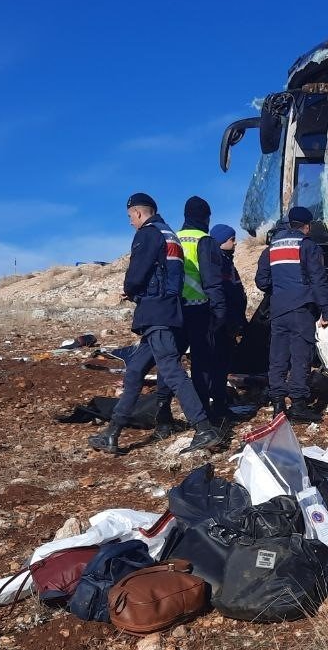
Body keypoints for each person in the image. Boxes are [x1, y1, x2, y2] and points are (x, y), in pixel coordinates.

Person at [88, 193, 221, 455]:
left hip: (156, 312)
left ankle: (203, 428)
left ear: (138, 213)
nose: (130, 223)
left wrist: (130, 290)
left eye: (130, 217)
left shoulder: (148, 234)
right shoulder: (169, 233)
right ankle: (112, 432)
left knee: (171, 370)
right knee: (136, 369)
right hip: (169, 310)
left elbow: (138, 272)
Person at [255, 206, 328, 423]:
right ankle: (298, 404)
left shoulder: (272, 248)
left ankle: (278, 404)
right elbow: (318, 280)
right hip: (301, 309)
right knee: (300, 357)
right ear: (306, 226)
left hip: (278, 309)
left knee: (277, 357)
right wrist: (326, 311)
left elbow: (261, 280)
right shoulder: (307, 246)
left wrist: (279, 289)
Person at [161, 196, 225, 425]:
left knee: (170, 363)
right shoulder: (204, 241)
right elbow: (212, 281)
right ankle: (202, 413)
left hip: (174, 311)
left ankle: (163, 414)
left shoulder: (173, 238)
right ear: (206, 218)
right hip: (199, 310)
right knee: (201, 364)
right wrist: (219, 312)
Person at [206, 223, 248, 422]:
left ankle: (220, 402)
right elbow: (227, 295)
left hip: (227, 322)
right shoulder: (219, 263)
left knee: (222, 365)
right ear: (222, 240)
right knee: (218, 364)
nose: (235, 242)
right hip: (221, 323)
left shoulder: (226, 261)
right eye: (232, 239)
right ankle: (217, 406)